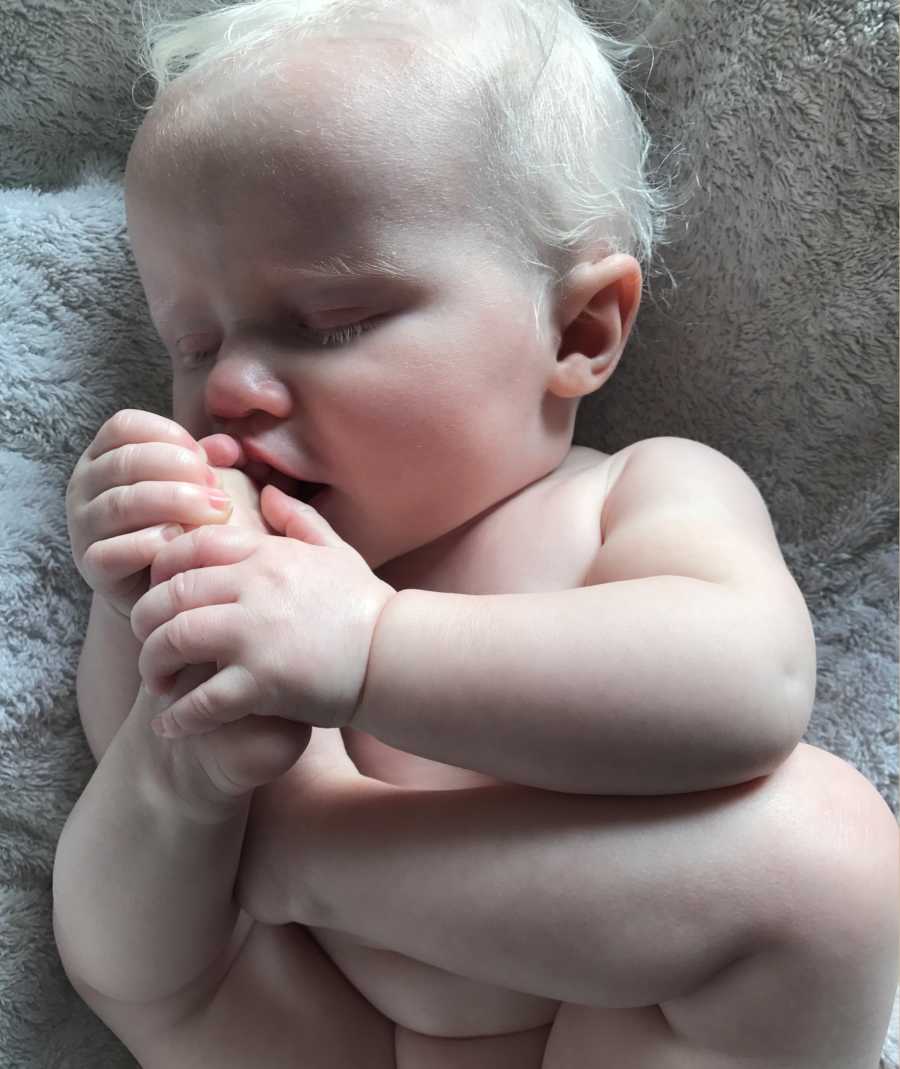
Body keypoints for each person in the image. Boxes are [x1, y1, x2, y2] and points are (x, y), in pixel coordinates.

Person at [52, 1, 898, 1066]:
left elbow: (751, 684)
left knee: (828, 864)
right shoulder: (244, 551)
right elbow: (124, 773)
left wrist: (371, 650)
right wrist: (132, 596)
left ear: (579, 331)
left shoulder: (635, 495)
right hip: (334, 1035)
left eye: (331, 322)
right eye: (192, 341)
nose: (227, 387)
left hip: (615, 1030)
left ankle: (301, 853)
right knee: (129, 913)